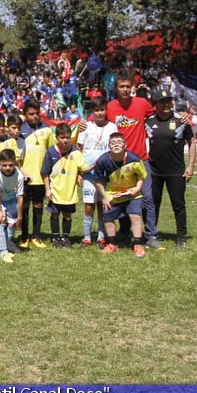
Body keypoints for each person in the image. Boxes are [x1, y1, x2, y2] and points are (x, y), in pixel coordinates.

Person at [105, 73, 162, 250]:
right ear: (116, 88)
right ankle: (124, 233)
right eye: (121, 86)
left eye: (128, 87)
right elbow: (99, 122)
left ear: (132, 88)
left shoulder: (142, 104)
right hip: (119, 162)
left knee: (147, 198)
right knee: (122, 198)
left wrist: (181, 116)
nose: (124, 90)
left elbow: (158, 114)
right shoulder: (110, 107)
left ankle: (151, 235)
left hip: (141, 160)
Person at [146, 87, 196, 249]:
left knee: (178, 204)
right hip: (154, 171)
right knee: (153, 204)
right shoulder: (148, 121)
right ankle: (152, 234)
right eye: (162, 102)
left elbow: (192, 143)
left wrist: (190, 166)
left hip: (176, 171)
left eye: (168, 101)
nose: (166, 104)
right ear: (155, 104)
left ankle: (181, 237)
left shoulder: (181, 121)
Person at [93, 132, 148, 258]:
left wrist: (137, 188)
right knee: (108, 218)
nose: (116, 145)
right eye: (113, 143)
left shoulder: (134, 159)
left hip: (132, 193)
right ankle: (112, 244)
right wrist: (104, 196)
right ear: (109, 145)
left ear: (125, 145)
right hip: (112, 193)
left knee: (135, 216)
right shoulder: (103, 160)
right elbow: (98, 181)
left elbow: (142, 176)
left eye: (119, 142)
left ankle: (138, 245)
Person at [77, 97, 118, 247]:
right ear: (92, 112)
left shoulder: (112, 127)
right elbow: (79, 149)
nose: (100, 113)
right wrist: (79, 172)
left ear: (106, 110)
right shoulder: (85, 127)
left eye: (102, 109)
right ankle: (87, 237)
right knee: (89, 207)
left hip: (105, 174)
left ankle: (101, 236)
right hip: (89, 174)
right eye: (96, 110)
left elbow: (115, 146)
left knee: (103, 206)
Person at [41, 123, 87, 248]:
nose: (65, 140)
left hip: (69, 191)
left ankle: (65, 238)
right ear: (56, 137)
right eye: (62, 137)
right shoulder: (50, 152)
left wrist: (79, 174)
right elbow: (45, 173)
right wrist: (48, 189)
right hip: (55, 190)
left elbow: (80, 166)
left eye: (67, 137)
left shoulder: (75, 150)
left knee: (67, 215)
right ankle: (56, 238)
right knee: (55, 214)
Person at [19, 99, 55, 249]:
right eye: (31, 114)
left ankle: (37, 235)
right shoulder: (20, 130)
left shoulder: (46, 129)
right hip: (25, 177)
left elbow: (52, 152)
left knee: (38, 205)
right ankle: (24, 236)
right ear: (24, 114)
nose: (34, 116)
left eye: (36, 113)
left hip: (41, 176)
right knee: (25, 206)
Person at [0, 149, 24, 263]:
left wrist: (20, 216)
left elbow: (20, 196)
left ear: (15, 163)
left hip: (10, 197)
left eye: (11, 165)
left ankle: (6, 244)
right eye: (4, 165)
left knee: (12, 222)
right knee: (1, 219)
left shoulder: (19, 176)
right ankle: (3, 252)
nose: (8, 168)